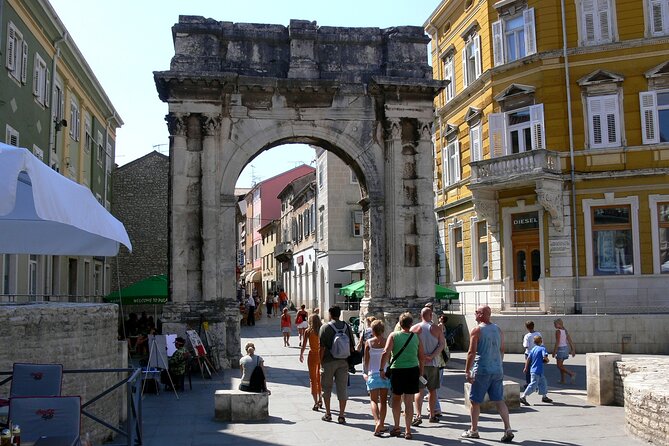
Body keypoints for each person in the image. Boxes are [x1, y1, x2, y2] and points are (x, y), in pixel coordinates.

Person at [462, 305, 514, 443]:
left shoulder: (477, 330)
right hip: (497, 369)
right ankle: (508, 428)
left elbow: (471, 352)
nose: (475, 314)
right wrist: (498, 363)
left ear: (481, 314)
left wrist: (467, 370)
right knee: (499, 400)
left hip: (482, 370)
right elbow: (502, 349)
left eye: (476, 312)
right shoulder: (498, 329)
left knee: (475, 401)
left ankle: (473, 430)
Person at [379, 312, 424, 440]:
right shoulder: (416, 337)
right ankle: (408, 431)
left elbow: (385, 352)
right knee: (409, 401)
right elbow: (421, 357)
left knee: (396, 399)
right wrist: (421, 371)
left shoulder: (393, 335)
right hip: (412, 370)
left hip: (397, 370)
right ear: (411, 324)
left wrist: (382, 369)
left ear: (399, 323)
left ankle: (397, 426)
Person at [318, 305, 355, 424]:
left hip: (328, 361)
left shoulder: (325, 327)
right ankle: (341, 415)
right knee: (342, 388)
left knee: (326, 388)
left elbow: (321, 348)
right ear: (339, 314)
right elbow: (351, 347)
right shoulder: (347, 327)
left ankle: (328, 413)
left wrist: (320, 362)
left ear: (330, 314)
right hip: (343, 361)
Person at [411, 306, 445, 425]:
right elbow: (441, 345)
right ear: (431, 316)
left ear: (421, 316)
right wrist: (432, 355)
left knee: (419, 390)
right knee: (432, 390)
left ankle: (418, 415)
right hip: (433, 364)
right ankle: (432, 414)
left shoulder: (414, 328)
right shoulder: (436, 328)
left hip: (418, 364)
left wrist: (419, 356)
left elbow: (411, 346)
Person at [363, 319, 391, 437]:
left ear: (373, 331)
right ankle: (382, 423)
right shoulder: (387, 342)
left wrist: (365, 373)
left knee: (373, 400)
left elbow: (366, 360)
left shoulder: (369, 343)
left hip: (372, 374)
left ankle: (377, 421)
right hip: (384, 373)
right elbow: (389, 358)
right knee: (383, 401)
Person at [520, 335, 553, 406]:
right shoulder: (542, 348)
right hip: (537, 371)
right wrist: (547, 360)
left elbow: (528, 359)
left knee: (543, 382)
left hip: (534, 370)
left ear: (534, 342)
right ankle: (523, 397)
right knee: (533, 385)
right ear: (541, 341)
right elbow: (545, 356)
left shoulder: (533, 349)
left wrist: (526, 367)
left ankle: (544, 397)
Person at [299, 314, 323, 411]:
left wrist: (301, 354)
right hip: (321, 355)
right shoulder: (322, 330)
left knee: (312, 379)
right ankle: (321, 398)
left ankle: (316, 402)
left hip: (312, 355)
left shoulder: (308, 331)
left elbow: (304, 344)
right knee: (319, 378)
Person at [552, 318, 576, 384]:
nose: (554, 325)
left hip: (561, 349)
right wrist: (573, 349)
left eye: (555, 324)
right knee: (561, 365)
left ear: (558, 324)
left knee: (559, 366)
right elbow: (570, 340)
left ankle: (571, 374)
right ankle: (563, 380)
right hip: (565, 348)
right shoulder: (565, 331)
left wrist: (554, 352)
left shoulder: (558, 331)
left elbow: (557, 342)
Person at [522, 320, 541, 389]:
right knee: (536, 368)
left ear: (527, 327)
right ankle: (537, 382)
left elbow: (526, 345)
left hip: (529, 353)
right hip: (537, 353)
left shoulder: (527, 336)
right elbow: (542, 344)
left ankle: (528, 383)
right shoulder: (538, 334)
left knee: (528, 369)